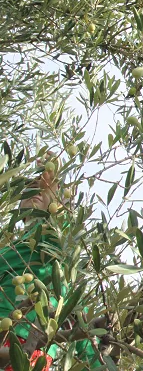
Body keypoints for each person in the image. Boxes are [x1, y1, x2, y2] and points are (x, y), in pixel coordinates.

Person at [0, 155, 101, 370]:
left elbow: (61, 229)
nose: (37, 192)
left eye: (42, 188)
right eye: (30, 188)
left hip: (30, 343)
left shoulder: (55, 241)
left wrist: (53, 186)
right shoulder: (8, 251)